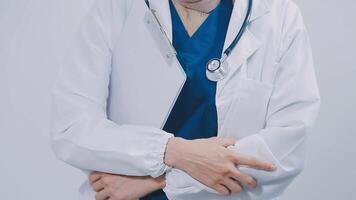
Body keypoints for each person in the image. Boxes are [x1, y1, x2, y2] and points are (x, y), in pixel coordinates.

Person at [50, 0, 320, 199]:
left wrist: (161, 181)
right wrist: (172, 151)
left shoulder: (278, 16)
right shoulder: (116, 10)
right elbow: (72, 128)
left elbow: (285, 150)